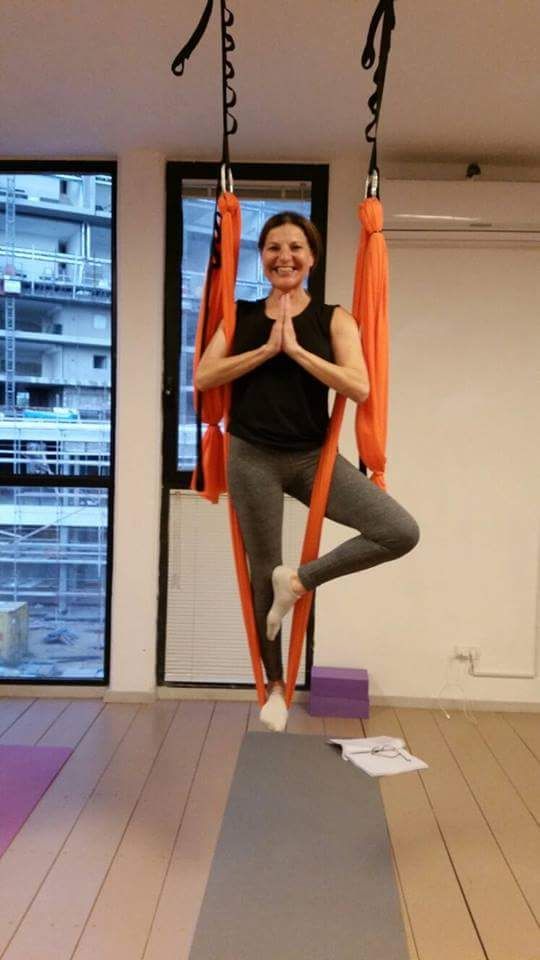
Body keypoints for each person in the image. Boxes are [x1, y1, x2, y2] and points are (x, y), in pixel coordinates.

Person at [195, 211, 420, 732]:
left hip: (312, 458)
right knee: (261, 570)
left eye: (295, 247)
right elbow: (206, 375)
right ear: (262, 257)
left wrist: (295, 350)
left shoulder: (334, 319)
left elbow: (358, 386)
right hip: (252, 455)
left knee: (398, 530)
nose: (285, 257)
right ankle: (275, 686)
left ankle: (298, 580)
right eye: (273, 247)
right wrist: (265, 350)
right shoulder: (239, 316)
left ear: (311, 258)